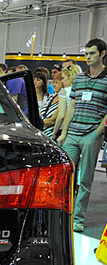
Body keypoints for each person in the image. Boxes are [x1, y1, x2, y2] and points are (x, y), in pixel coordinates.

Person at [57, 38, 107, 233]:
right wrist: (64, 132)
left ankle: (77, 219)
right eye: (86, 54)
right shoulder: (79, 79)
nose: (88, 57)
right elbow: (72, 106)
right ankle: (61, 214)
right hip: (72, 134)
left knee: (85, 180)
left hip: (91, 135)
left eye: (92, 53)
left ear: (102, 54)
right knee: (63, 176)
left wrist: (96, 133)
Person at [52, 64, 81, 140]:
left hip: (65, 130)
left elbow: (61, 116)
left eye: (63, 78)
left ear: (70, 76)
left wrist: (54, 133)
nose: (62, 81)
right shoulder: (81, 90)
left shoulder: (64, 91)